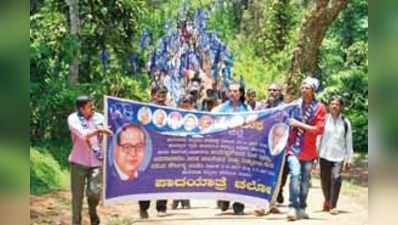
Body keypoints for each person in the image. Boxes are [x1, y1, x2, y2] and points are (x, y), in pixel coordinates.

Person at [285, 77, 326, 221]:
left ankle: (302, 207)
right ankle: (292, 207)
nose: (303, 90)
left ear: (313, 90)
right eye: (302, 87)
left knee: (305, 181)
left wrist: (299, 124)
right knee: (295, 175)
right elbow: (283, 118)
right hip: (293, 149)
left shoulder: (319, 108)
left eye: (307, 87)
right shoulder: (294, 105)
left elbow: (319, 129)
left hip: (308, 151)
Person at [67, 95, 113, 225]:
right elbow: (83, 135)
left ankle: (93, 212)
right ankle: (76, 222)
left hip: (96, 161)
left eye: (92, 105)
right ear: (81, 109)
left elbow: (110, 128)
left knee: (94, 193)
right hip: (78, 162)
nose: (93, 107)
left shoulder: (99, 117)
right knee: (77, 198)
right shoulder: (73, 119)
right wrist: (99, 130)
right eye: (89, 106)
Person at [212, 80, 251, 215]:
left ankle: (239, 204)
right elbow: (212, 118)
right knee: (225, 174)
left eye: (236, 91)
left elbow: (253, 124)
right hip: (224, 147)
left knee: (240, 176)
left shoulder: (247, 109)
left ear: (241, 93)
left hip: (241, 148)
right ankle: (225, 199)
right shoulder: (222, 108)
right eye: (231, 91)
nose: (233, 93)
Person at [318, 95, 353, 215]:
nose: (334, 106)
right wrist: (315, 154)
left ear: (341, 107)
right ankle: (327, 200)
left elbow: (348, 141)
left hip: (339, 156)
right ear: (328, 106)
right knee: (325, 180)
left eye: (337, 104)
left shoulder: (345, 122)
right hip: (324, 155)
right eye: (332, 104)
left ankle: (333, 205)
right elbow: (318, 138)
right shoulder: (323, 119)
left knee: (336, 178)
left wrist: (349, 158)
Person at [139, 86, 169, 219]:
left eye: (164, 94)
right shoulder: (144, 110)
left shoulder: (170, 111)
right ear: (152, 95)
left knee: (164, 178)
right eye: (160, 94)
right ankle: (143, 207)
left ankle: (161, 207)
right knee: (146, 180)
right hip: (148, 150)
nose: (162, 97)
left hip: (165, 150)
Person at [172, 94, 195, 210]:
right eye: (184, 105)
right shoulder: (176, 115)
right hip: (178, 147)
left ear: (192, 105)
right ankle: (176, 199)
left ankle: (185, 200)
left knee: (187, 175)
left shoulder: (196, 116)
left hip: (190, 149)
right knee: (177, 173)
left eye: (188, 106)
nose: (186, 108)